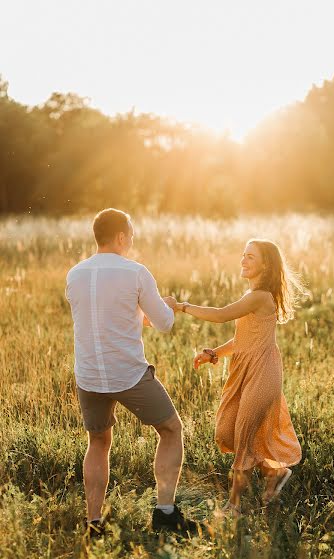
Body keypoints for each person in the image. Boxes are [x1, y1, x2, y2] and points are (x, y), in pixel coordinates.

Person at [65, 208, 197, 536]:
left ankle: (94, 523)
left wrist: (139, 310)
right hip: (127, 374)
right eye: (132, 234)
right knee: (171, 429)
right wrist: (161, 305)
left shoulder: (75, 274)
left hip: (90, 375)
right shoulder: (136, 273)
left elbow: (107, 318)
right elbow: (165, 323)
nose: (133, 240)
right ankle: (165, 514)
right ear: (121, 237)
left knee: (98, 441)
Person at [174, 239, 304, 515]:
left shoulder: (261, 296)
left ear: (265, 265)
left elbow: (221, 315)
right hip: (245, 370)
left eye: (251, 258)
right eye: (243, 256)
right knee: (227, 431)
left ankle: (234, 505)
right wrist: (216, 353)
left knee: (244, 437)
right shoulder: (253, 295)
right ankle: (274, 472)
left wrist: (182, 306)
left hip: (263, 373)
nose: (243, 261)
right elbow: (242, 338)